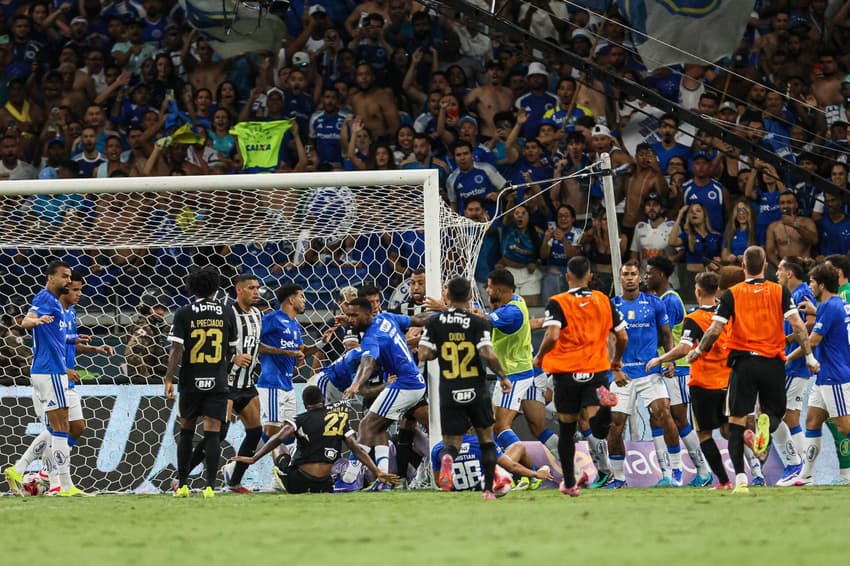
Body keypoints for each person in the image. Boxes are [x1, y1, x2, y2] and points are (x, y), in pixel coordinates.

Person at [687, 246, 816, 495]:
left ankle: (741, 481)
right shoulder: (779, 291)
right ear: (765, 266)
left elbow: (714, 330)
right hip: (773, 363)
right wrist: (809, 356)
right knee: (775, 413)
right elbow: (798, 324)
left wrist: (698, 351)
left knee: (736, 423)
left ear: (744, 267)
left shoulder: (732, 294)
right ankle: (765, 426)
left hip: (744, 364)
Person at [6, 271, 113, 495]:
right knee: (57, 428)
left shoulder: (69, 314)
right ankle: (55, 482)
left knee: (76, 427)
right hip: (52, 374)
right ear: (63, 287)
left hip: (63, 378)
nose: (78, 293)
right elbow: (38, 345)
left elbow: (64, 342)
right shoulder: (48, 303)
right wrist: (64, 368)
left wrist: (93, 348)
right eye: (74, 289)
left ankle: (34, 472)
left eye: (80, 289)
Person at [533, 256, 629, 496]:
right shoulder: (604, 300)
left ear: (567, 277)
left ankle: (570, 483)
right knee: (596, 426)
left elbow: (553, 335)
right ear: (589, 277)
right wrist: (616, 361)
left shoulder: (558, 302)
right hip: (596, 370)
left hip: (567, 372)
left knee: (567, 428)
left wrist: (540, 357)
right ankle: (606, 407)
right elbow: (623, 336)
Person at [417, 277, 512, 499]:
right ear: (470, 296)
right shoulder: (478, 323)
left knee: (451, 442)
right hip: (476, 389)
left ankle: (448, 456)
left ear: (447, 296)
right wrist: (503, 377)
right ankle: (488, 489)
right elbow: (488, 353)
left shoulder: (435, 322)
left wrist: (440, 349)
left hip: (449, 390)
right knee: (486, 440)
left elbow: (424, 354)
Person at [4, 261, 83, 497]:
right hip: (51, 371)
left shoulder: (57, 305)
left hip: (47, 371)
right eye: (64, 276)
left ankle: (21, 470)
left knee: (61, 427)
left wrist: (76, 340)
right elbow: (27, 320)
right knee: (60, 428)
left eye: (69, 277)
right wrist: (34, 323)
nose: (68, 281)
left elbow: (58, 336)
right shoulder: (45, 298)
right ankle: (62, 485)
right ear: (50, 277)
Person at [647, 272, 731, 489]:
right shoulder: (728, 314)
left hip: (700, 380)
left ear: (698, 291)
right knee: (730, 429)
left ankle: (708, 475)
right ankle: (752, 473)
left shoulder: (692, 317)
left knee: (699, 430)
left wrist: (661, 358)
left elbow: (683, 347)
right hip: (729, 380)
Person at [230, 385, 398, 493]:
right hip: (323, 483)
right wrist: (377, 472)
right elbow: (357, 449)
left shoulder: (300, 419)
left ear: (305, 404)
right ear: (323, 400)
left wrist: (254, 457)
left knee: (279, 445)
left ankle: (278, 479)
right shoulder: (339, 418)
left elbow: (278, 437)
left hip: (298, 481)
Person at [343, 296, 433, 490]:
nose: (350, 320)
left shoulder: (372, 336)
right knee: (377, 428)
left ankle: (348, 480)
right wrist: (443, 315)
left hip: (405, 383)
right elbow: (419, 319)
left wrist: (356, 384)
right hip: (413, 381)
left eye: (355, 315)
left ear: (368, 313)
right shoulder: (387, 318)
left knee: (367, 426)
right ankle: (383, 482)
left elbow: (368, 363)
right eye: (348, 315)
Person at [165, 266, 239, 499]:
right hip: (217, 381)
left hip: (190, 380)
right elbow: (231, 350)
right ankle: (209, 486)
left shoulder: (184, 312)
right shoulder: (227, 312)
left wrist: (168, 378)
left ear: (192, 287)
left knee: (186, 431)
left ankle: (184, 484)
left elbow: (176, 348)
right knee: (213, 434)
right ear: (216, 287)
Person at [608, 260, 681, 488]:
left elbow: (666, 334)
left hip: (650, 372)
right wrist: (614, 367)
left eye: (633, 274)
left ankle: (675, 471)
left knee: (663, 413)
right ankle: (619, 478)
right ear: (620, 278)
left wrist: (668, 359)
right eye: (625, 274)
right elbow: (608, 339)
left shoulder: (655, 303)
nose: (629, 278)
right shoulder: (611, 305)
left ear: (639, 278)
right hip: (622, 375)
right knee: (615, 425)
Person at [476, 268, 560, 459]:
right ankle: (567, 457)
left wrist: (450, 309)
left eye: (489, 287)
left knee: (499, 425)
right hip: (526, 371)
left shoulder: (509, 312)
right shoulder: (517, 301)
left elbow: (483, 321)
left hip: (515, 374)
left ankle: (518, 469)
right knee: (537, 428)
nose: (487, 290)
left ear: (498, 289)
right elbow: (527, 324)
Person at [192, 274, 265, 493]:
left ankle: (234, 480)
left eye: (258, 287)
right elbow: (212, 343)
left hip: (247, 383)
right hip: (226, 382)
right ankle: (182, 475)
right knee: (219, 434)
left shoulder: (257, 314)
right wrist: (233, 358)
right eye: (251, 288)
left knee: (254, 432)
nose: (256, 292)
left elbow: (255, 345)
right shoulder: (226, 313)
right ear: (238, 290)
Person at [257, 283, 334, 474]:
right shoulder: (272, 319)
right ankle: (277, 471)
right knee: (271, 432)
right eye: (301, 296)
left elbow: (300, 353)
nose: (304, 300)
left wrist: (321, 343)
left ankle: (285, 472)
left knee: (289, 433)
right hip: (271, 384)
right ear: (291, 299)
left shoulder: (294, 325)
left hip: (288, 386)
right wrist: (285, 352)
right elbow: (255, 344)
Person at [787, 264, 850, 486]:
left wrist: (787, 358)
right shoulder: (835, 304)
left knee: (845, 427)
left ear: (822, 285)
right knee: (812, 421)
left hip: (835, 376)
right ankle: (806, 475)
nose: (810, 285)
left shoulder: (829, 307)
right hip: (824, 376)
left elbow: (812, 341)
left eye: (812, 282)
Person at [770, 256, 815, 486]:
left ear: (789, 273)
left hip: (794, 365)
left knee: (773, 413)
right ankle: (803, 472)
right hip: (794, 366)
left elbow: (811, 321)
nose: (776, 273)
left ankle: (796, 466)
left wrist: (787, 339)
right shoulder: (791, 294)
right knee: (791, 417)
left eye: (779, 269)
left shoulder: (801, 293)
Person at [430, 433, 555, 493]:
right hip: (488, 485)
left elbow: (439, 482)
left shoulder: (437, 448)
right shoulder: (482, 442)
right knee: (518, 448)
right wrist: (535, 473)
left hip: (455, 487)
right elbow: (511, 466)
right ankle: (529, 479)